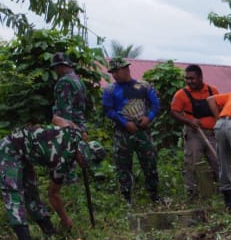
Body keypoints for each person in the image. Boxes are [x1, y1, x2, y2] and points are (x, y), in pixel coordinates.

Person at [0, 125, 97, 240]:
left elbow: (63, 121)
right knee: (14, 194)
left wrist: (83, 132)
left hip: (25, 155)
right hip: (9, 149)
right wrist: (65, 219)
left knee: (31, 193)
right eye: (85, 161)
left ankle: (49, 230)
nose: (84, 165)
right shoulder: (62, 161)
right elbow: (53, 194)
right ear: (81, 154)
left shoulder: (76, 135)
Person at [100, 57, 161, 203]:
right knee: (123, 165)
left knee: (150, 162)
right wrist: (124, 123)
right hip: (122, 133)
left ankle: (154, 195)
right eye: (112, 72)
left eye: (117, 71)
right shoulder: (110, 90)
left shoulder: (144, 86)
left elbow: (156, 105)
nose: (114, 74)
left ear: (126, 68)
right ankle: (126, 198)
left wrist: (148, 118)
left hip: (143, 130)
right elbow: (108, 110)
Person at [168, 65, 220, 198]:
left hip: (212, 134)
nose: (189, 81)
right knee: (192, 163)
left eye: (192, 78)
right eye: (187, 79)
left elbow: (219, 109)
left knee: (218, 162)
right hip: (194, 134)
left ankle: (223, 191)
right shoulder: (181, 94)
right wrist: (189, 121)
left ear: (200, 77)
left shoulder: (212, 90)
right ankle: (192, 194)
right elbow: (174, 112)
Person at [49, 51, 89, 131]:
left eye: (55, 67)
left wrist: (66, 130)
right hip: (80, 126)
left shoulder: (64, 82)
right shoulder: (79, 81)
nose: (55, 70)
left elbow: (64, 111)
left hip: (69, 129)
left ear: (60, 66)